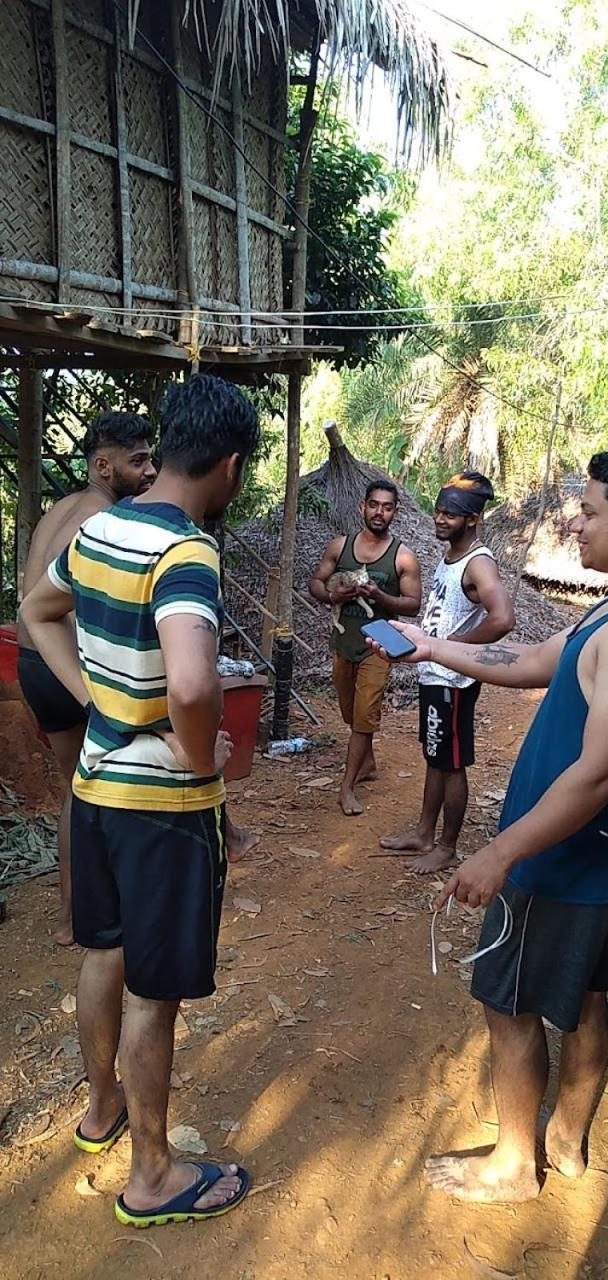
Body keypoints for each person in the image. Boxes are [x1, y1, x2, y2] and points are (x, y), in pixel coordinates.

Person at [368, 446, 608, 1204]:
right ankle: (566, 1143)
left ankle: (516, 1166)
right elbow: (528, 663)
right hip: (583, 859)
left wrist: (500, 853)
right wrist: (432, 646)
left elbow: (600, 773)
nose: (576, 525)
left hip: (563, 861)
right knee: (585, 997)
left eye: (589, 512)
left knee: (510, 1002)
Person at [21, 373, 259, 1228]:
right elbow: (195, 686)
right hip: (163, 807)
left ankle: (100, 1110)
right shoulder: (186, 551)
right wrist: (200, 758)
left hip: (95, 791)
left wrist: (98, 702)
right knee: (153, 994)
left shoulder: (99, 529)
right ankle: (153, 1175)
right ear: (230, 466)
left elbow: (35, 609)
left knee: (103, 954)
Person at [17, 412, 156, 945]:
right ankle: (96, 909)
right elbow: (63, 608)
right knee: (103, 784)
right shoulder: (101, 521)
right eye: (137, 460)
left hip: (34, 664)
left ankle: (69, 913)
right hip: (66, 664)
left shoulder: (62, 509)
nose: (149, 471)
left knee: (74, 788)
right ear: (104, 465)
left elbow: (34, 595)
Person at [379, 472, 515, 873]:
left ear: (472, 519)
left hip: (453, 682)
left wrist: (452, 648)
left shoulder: (478, 562)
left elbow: (503, 618)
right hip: (435, 676)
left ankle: (447, 846)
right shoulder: (450, 556)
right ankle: (424, 832)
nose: (440, 519)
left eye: (450, 515)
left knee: (452, 762)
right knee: (436, 756)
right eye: (438, 512)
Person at [309, 480, 422, 815]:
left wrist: (380, 596)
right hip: (344, 643)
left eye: (387, 507)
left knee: (364, 712)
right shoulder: (340, 547)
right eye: (374, 505)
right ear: (363, 507)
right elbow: (315, 582)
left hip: (380, 645)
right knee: (349, 708)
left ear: (395, 512)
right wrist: (332, 596)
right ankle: (368, 762)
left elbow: (413, 604)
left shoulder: (403, 557)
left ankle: (347, 787)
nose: (379, 512)